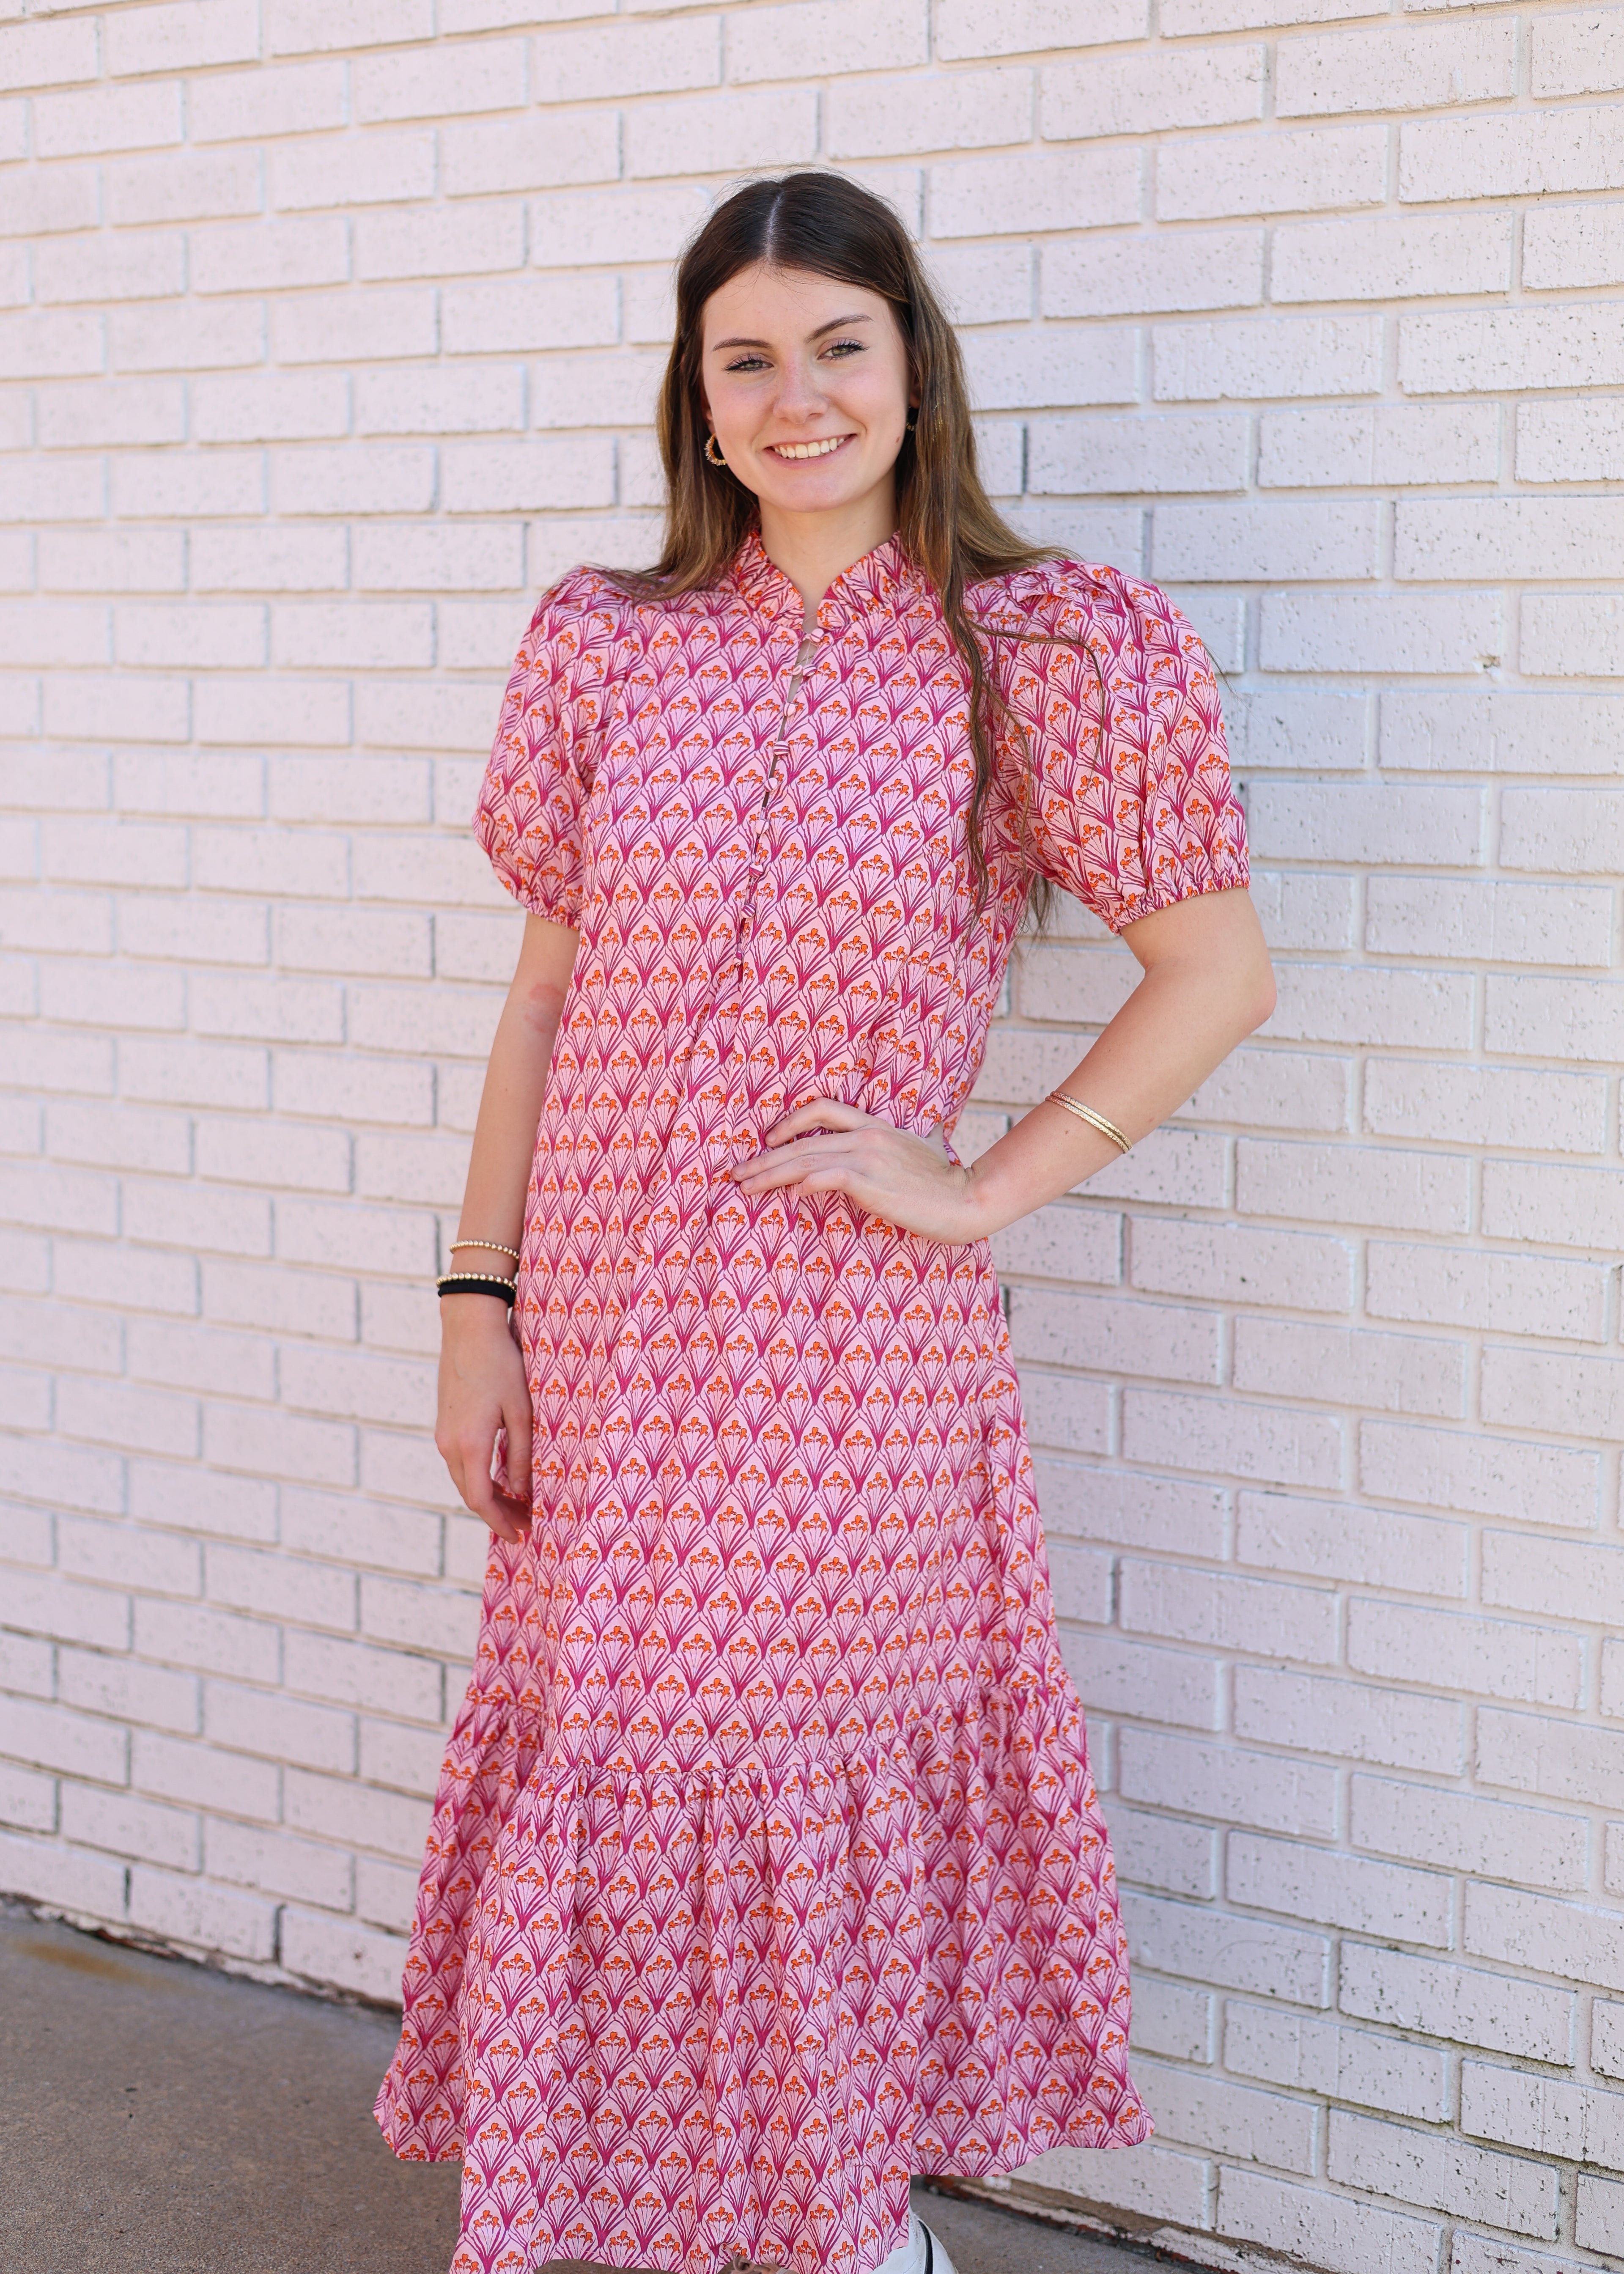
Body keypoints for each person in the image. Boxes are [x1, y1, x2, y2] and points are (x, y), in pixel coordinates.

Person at [376, 170, 1274, 2274]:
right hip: (597, 1329)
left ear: (911, 362)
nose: (797, 399)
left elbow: (1216, 970)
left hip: (843, 1355)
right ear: (698, 399)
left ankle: (852, 2239)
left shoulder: (1039, 646)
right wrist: (474, 1305)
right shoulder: (608, 643)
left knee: (781, 1785)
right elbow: (541, 998)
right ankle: (632, 2225)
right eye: (747, 360)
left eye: (838, 346)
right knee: (616, 1765)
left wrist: (979, 1187)